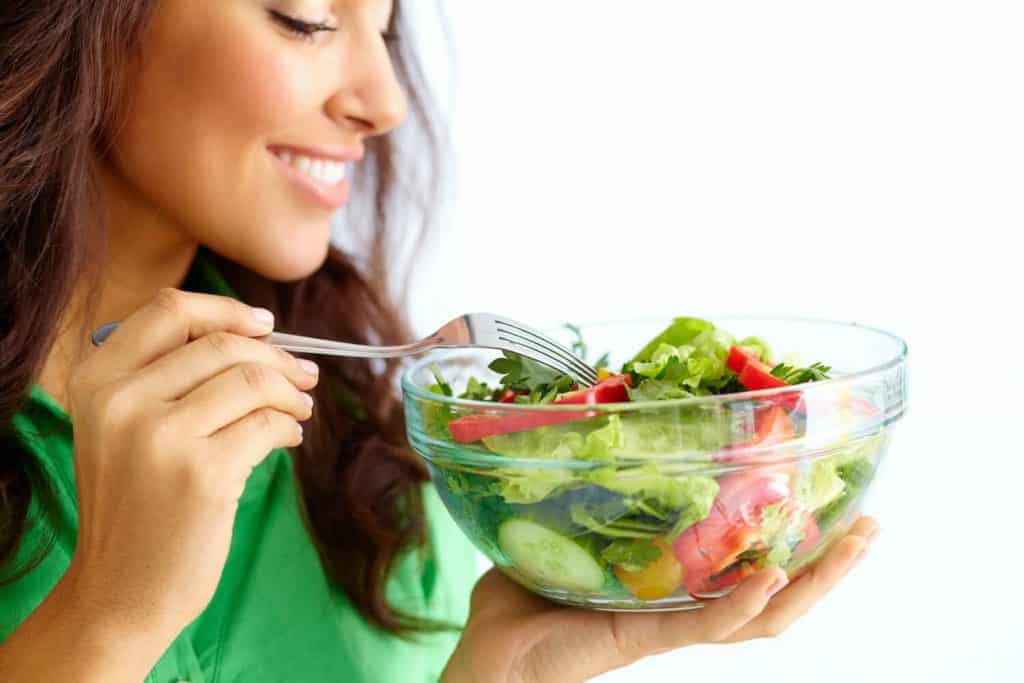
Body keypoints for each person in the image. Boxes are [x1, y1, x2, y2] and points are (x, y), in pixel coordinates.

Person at [0, 1, 879, 681]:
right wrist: (105, 619)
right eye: (306, 20)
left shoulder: (366, 453)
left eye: (384, 30)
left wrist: (493, 672)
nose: (383, 103)